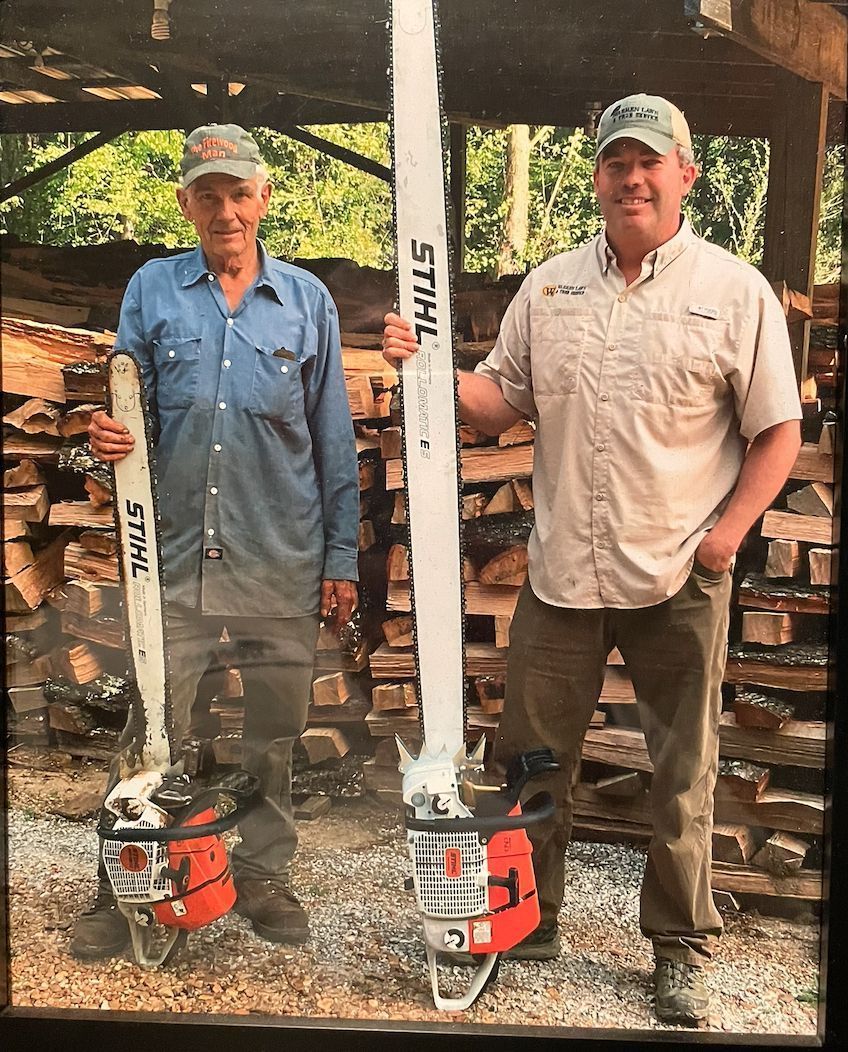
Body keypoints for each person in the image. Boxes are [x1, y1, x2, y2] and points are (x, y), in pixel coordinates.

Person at [382, 94, 802, 1026]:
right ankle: (530, 921)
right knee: (532, 759)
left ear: (687, 173)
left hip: (678, 574)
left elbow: (778, 431)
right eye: (617, 163)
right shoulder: (551, 287)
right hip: (562, 573)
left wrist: (727, 538)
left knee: (682, 771)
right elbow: (501, 404)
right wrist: (430, 367)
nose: (633, 179)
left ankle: (679, 947)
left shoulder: (734, 292)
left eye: (651, 163)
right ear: (601, 177)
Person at [71, 124, 359, 959]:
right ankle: (123, 883)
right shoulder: (153, 292)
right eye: (209, 194)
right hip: (176, 555)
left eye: (239, 193)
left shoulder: (307, 302)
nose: (225, 210)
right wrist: (106, 438)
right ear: (186, 203)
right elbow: (124, 416)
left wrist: (340, 556)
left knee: (274, 731)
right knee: (154, 726)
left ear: (263, 198)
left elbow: (333, 440)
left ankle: (263, 877)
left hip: (282, 554)